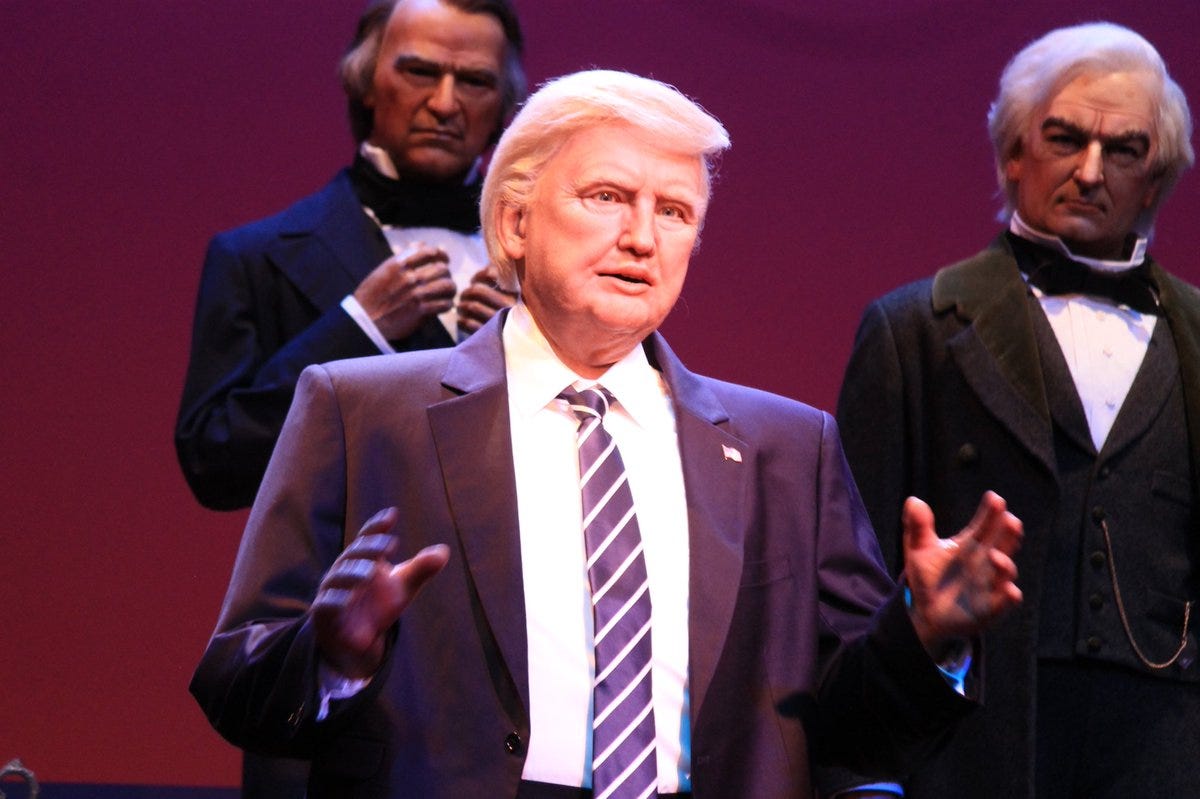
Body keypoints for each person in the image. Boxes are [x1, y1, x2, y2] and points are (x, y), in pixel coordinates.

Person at [191, 69, 1023, 799]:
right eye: (607, 197)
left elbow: (848, 724)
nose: (642, 237)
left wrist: (924, 635)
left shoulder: (787, 448)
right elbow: (236, 680)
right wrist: (333, 655)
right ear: (515, 223)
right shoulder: (363, 410)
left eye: (675, 211)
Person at [837, 22, 1200, 799]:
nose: (1090, 172)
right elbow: (847, 595)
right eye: (1064, 139)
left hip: (1167, 754)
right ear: (1013, 153)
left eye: (1123, 150)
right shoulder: (914, 330)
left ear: (1155, 178)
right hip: (975, 750)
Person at [175, 0, 526, 512]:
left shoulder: (546, 262)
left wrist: (533, 344)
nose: (445, 104)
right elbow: (214, 464)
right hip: (353, 562)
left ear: (504, 105)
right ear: (365, 82)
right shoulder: (256, 257)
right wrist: (359, 326)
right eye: (420, 72)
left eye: (474, 81)